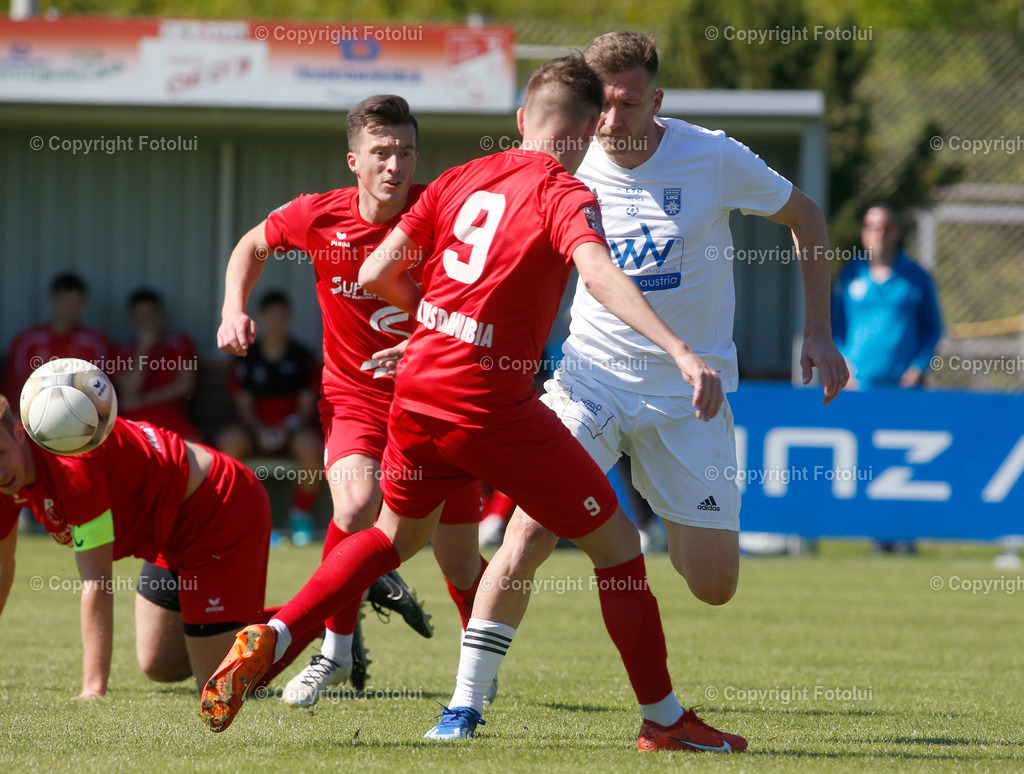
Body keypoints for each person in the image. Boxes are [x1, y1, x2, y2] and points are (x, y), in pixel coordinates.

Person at [199, 55, 748, 755]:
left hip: (417, 391)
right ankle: (665, 722)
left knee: (392, 539)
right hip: (487, 404)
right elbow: (598, 273)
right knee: (619, 548)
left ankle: (277, 632)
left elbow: (376, 269)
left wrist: (437, 329)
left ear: (521, 120)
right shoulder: (564, 193)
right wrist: (679, 349)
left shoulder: (463, 176)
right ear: (585, 136)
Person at [427, 31, 850, 741]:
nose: (612, 119)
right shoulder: (567, 162)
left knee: (713, 585)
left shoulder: (712, 156)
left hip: (689, 395)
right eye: (602, 104)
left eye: (628, 103)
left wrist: (818, 330)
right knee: (529, 531)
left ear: (658, 99)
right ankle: (463, 704)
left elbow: (805, 215)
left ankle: (664, 520)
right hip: (590, 379)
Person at [216, 94, 487, 706]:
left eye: (407, 152)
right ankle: (335, 652)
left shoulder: (442, 215)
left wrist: (429, 342)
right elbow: (253, 245)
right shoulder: (318, 216)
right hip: (355, 400)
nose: (396, 165)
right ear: (354, 161)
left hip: (436, 400)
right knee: (358, 503)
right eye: (382, 152)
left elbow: (479, 296)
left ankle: (476, 680)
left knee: (460, 563)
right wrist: (233, 308)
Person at [0, 396, 315, 698]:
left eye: (1, 453)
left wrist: (93, 688)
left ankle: (319, 615)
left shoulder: (71, 468)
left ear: (20, 433)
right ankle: (252, 626)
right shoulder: (6, 481)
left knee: (220, 687)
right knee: (158, 664)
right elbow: (2, 565)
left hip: (218, 505)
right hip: (169, 528)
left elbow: (97, 581)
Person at [216, 290, 323, 546]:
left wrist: (286, 429)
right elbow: (244, 407)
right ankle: (238, 515)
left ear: (289, 318)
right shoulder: (246, 356)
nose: (276, 322)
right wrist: (261, 430)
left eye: (281, 316)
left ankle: (301, 517)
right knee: (229, 442)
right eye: (271, 316)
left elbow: (306, 407)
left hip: (292, 432)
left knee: (312, 447)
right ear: (261, 318)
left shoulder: (302, 357)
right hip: (255, 430)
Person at [833, 203, 943, 390]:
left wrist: (917, 368)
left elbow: (932, 329)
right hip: (857, 386)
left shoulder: (917, 277)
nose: (880, 233)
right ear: (863, 232)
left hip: (903, 388)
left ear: (897, 231)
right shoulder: (849, 274)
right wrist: (843, 367)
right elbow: (835, 326)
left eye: (886, 227)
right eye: (872, 227)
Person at [4, 272, 108, 409]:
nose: (68, 310)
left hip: (81, 414)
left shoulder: (95, 343)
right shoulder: (27, 342)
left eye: (74, 305)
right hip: (32, 413)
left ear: (83, 304)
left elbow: (101, 388)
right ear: (52, 300)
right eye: (64, 303)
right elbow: (14, 387)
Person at [112, 288, 201, 441]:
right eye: (139, 317)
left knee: (201, 450)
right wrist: (144, 348)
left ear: (160, 315)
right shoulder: (120, 350)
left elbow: (185, 385)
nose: (145, 322)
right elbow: (130, 389)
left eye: (150, 315)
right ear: (132, 319)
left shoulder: (181, 343)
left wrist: (142, 400)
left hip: (173, 422)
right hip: (134, 425)